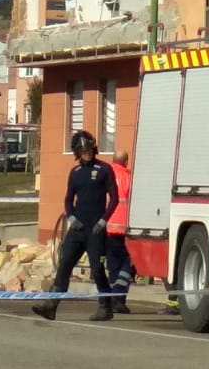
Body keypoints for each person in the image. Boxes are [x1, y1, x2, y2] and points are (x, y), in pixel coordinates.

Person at [32, 129, 118, 323]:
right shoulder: (75, 172)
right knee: (64, 266)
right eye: (82, 150)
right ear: (77, 152)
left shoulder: (104, 169)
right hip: (77, 229)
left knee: (96, 268)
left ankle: (106, 306)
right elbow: (69, 199)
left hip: (95, 229)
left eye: (88, 149)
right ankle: (51, 306)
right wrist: (70, 217)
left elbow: (114, 199)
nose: (86, 152)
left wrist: (103, 220)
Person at [105, 149, 134, 313]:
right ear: (126, 161)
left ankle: (111, 298)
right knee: (129, 265)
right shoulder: (129, 177)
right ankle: (118, 297)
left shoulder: (105, 175)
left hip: (107, 228)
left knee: (113, 265)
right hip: (126, 229)